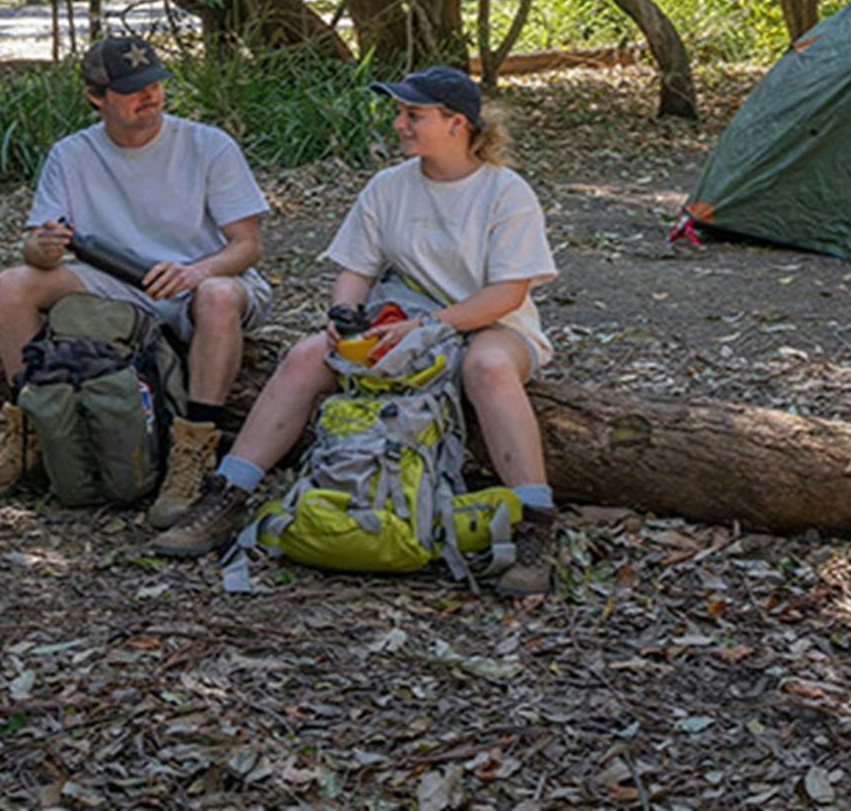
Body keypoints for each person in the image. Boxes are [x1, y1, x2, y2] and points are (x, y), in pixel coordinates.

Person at [152, 64, 561, 597]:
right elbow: (356, 272)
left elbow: (506, 293)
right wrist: (344, 316)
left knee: (487, 368)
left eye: (413, 115)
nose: (398, 124)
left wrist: (428, 327)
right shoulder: (388, 187)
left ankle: (535, 523)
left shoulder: (505, 192)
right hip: (400, 321)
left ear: (457, 123)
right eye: (399, 113)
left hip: (488, 323)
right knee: (306, 355)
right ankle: (228, 493)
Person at [0, 35, 274, 528]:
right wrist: (42, 248)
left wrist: (196, 271)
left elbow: (247, 246)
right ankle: (29, 431)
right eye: (131, 89)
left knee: (218, 295)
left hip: (203, 279)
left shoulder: (207, 145)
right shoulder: (71, 154)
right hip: (118, 283)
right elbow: (35, 246)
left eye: (154, 83)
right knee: (12, 286)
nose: (150, 95)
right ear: (95, 97)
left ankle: (192, 452)